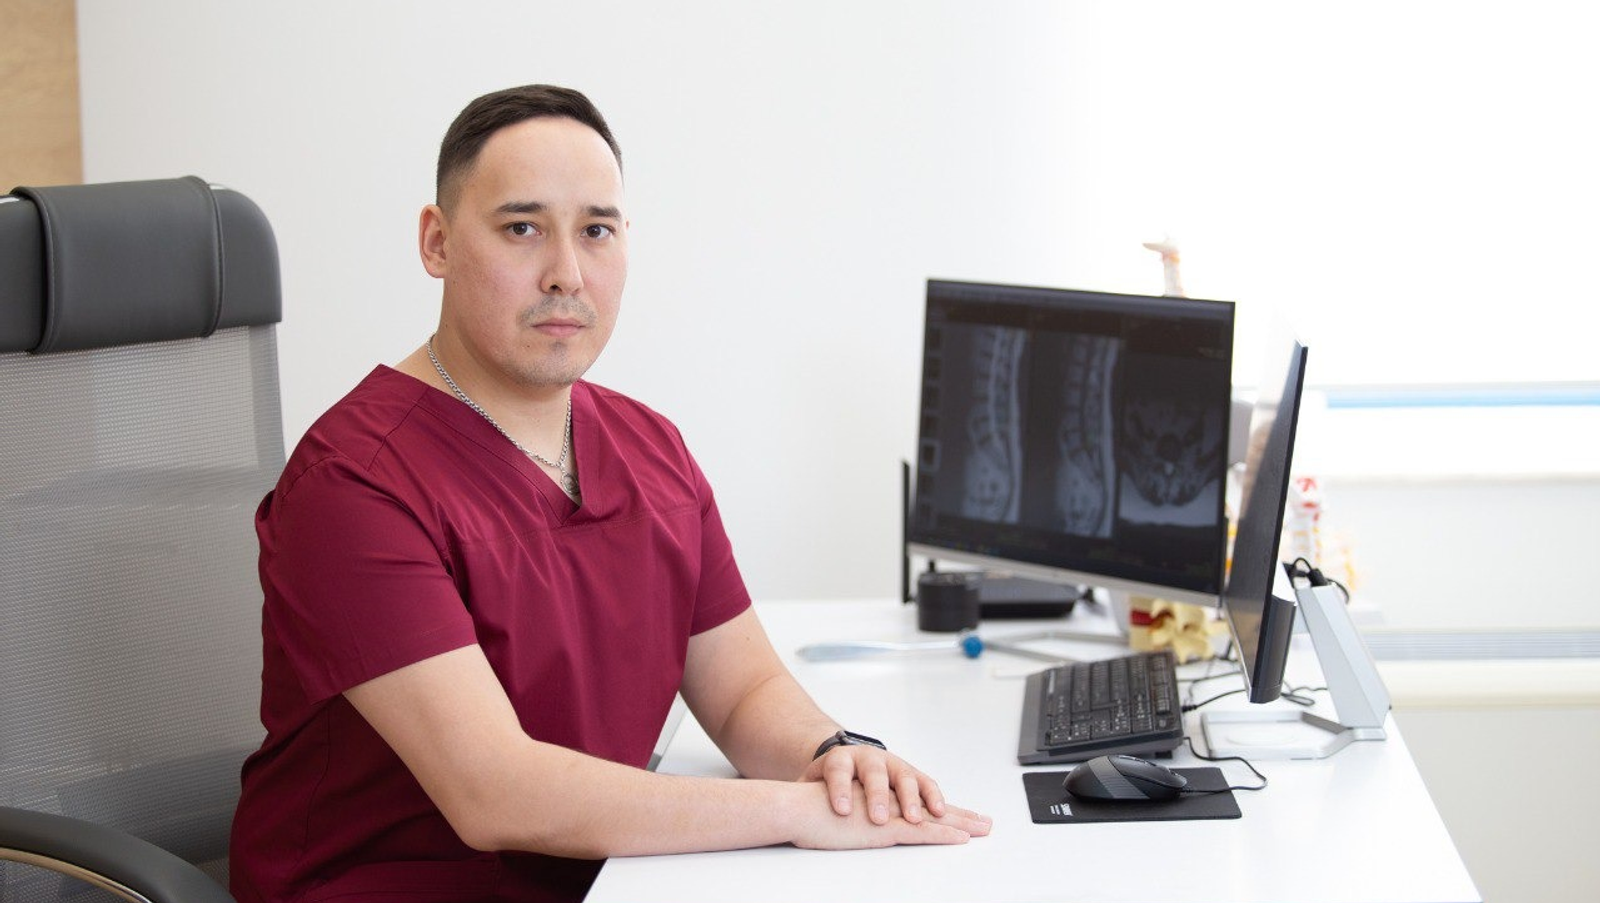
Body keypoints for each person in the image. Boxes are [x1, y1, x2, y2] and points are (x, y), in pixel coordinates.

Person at [228, 84, 991, 903]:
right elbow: (494, 792)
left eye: (596, 230)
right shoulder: (354, 482)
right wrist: (794, 813)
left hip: (607, 879)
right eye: (522, 228)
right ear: (437, 242)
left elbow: (743, 691)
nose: (566, 274)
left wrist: (835, 761)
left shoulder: (651, 449)